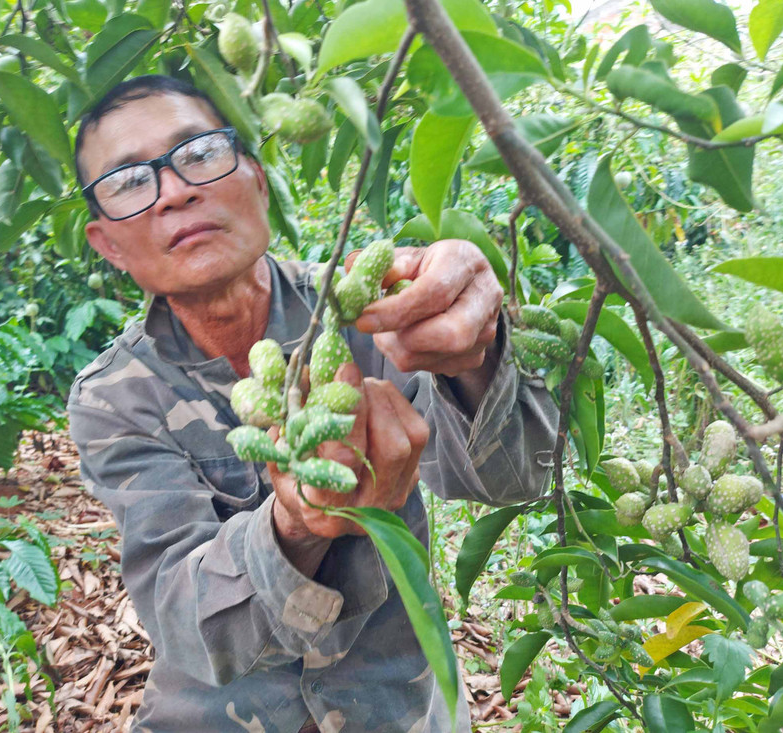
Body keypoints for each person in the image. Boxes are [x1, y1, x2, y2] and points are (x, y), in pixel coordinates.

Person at [68, 74, 559, 733]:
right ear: (108, 244)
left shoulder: (370, 307)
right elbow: (186, 623)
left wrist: (477, 354)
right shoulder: (114, 395)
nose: (175, 191)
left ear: (259, 182)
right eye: (129, 180)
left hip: (398, 705)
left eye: (199, 153)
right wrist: (297, 524)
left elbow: (513, 477)